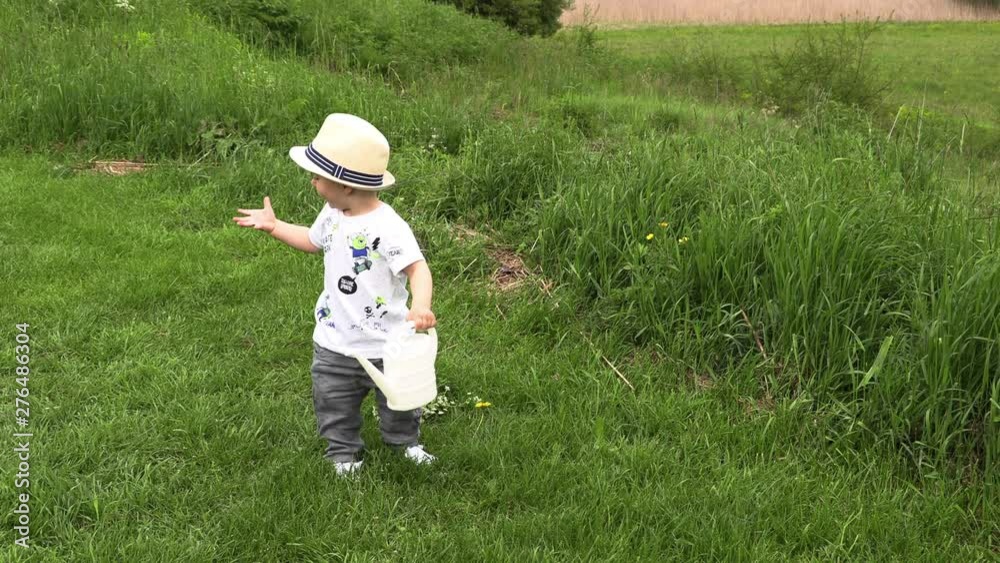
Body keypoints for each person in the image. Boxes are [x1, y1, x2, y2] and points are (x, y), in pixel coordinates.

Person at [233, 113, 437, 476]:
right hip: (334, 340)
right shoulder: (332, 213)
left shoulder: (388, 227)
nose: (312, 181)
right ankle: (344, 453)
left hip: (387, 342)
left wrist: (421, 306)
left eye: (317, 177)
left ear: (346, 186)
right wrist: (274, 226)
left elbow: (417, 268)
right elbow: (313, 241)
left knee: (401, 399)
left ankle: (405, 442)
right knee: (333, 400)